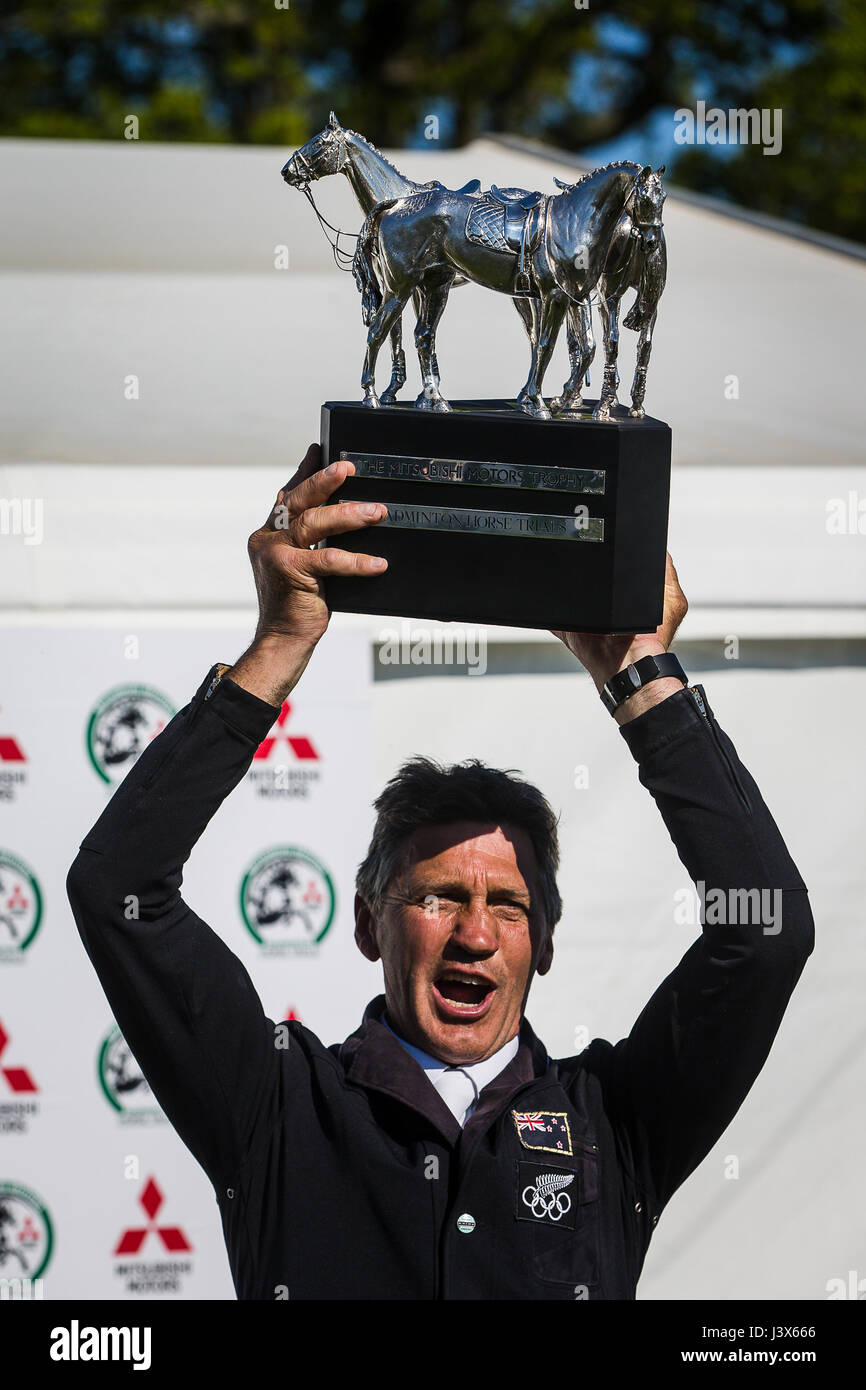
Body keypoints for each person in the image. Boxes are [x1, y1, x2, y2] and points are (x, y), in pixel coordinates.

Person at [66, 445, 814, 1300]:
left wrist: (642, 677)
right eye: (439, 897)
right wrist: (277, 646)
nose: (475, 934)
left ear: (546, 944)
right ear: (364, 921)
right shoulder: (276, 1104)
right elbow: (119, 888)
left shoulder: (613, 1123)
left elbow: (765, 933)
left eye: (508, 905)